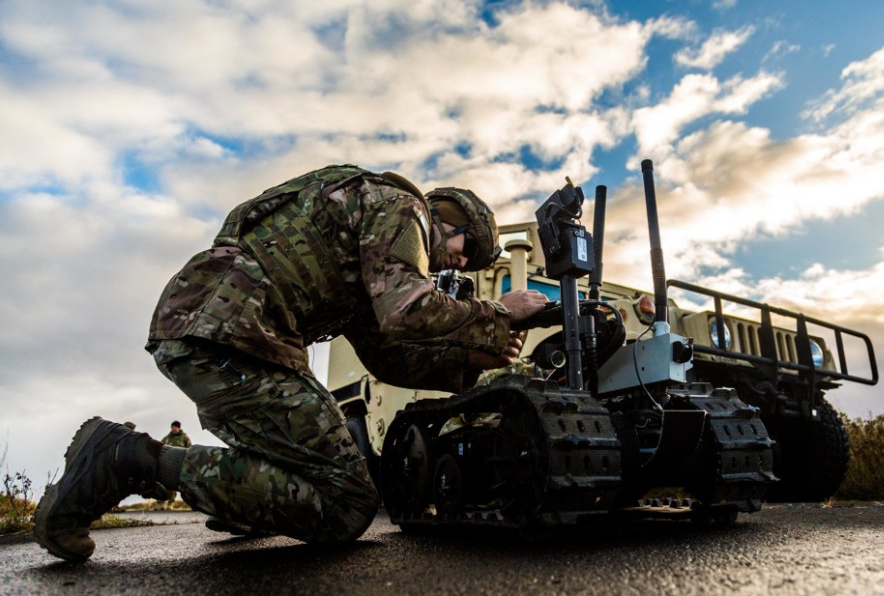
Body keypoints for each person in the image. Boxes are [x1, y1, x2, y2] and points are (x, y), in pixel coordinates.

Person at [33, 164, 547, 562]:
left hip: (221, 334)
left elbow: (389, 356)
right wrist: (500, 313)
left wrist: (470, 362)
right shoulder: (401, 209)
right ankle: (129, 458)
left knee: (316, 467)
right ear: (447, 219)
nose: (460, 263)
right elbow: (406, 306)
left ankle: (245, 498)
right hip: (230, 334)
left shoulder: (370, 244)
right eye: (467, 249)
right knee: (346, 503)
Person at [156, 421, 192, 510]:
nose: (174, 428)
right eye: (173, 427)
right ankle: (161, 504)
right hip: (167, 465)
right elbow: (160, 447)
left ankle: (171, 504)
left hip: (180, 465)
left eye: (176, 427)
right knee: (165, 484)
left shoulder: (184, 438)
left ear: (179, 428)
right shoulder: (166, 439)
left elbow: (190, 450)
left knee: (178, 485)